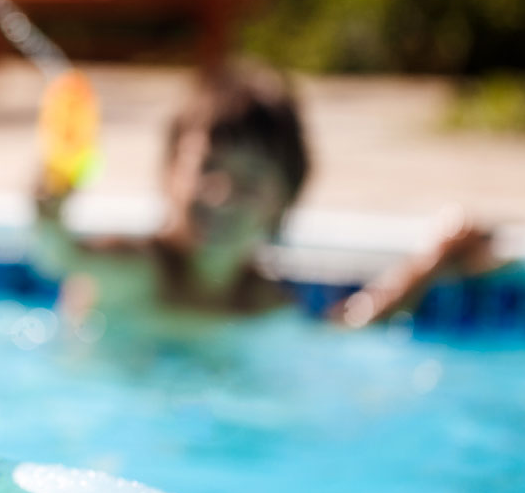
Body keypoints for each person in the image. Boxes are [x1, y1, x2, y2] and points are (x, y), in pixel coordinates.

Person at [32, 61, 498, 333]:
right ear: (170, 170)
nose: (224, 194)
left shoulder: (261, 300)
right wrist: (50, 206)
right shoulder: (138, 268)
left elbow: (342, 334)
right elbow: (59, 253)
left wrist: (430, 262)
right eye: (208, 168)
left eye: (252, 180)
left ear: (284, 201)